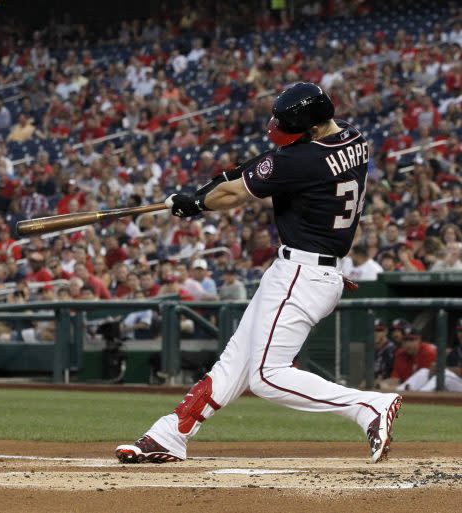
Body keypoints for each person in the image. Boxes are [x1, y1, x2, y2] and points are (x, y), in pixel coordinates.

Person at [116, 82, 402, 465]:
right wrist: (209, 187)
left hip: (303, 273)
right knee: (235, 362)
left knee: (266, 377)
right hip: (304, 270)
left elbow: (236, 193)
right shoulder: (352, 137)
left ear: (312, 128)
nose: (282, 133)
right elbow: (265, 164)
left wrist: (194, 203)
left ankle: (368, 406)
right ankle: (171, 434)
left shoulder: (303, 161)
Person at [379, 325, 438, 391]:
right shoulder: (400, 354)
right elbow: (396, 379)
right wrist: (382, 384)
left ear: (419, 340)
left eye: (412, 340)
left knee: (424, 372)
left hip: (431, 391)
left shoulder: (428, 352)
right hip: (407, 390)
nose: (408, 343)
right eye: (405, 340)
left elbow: (427, 379)